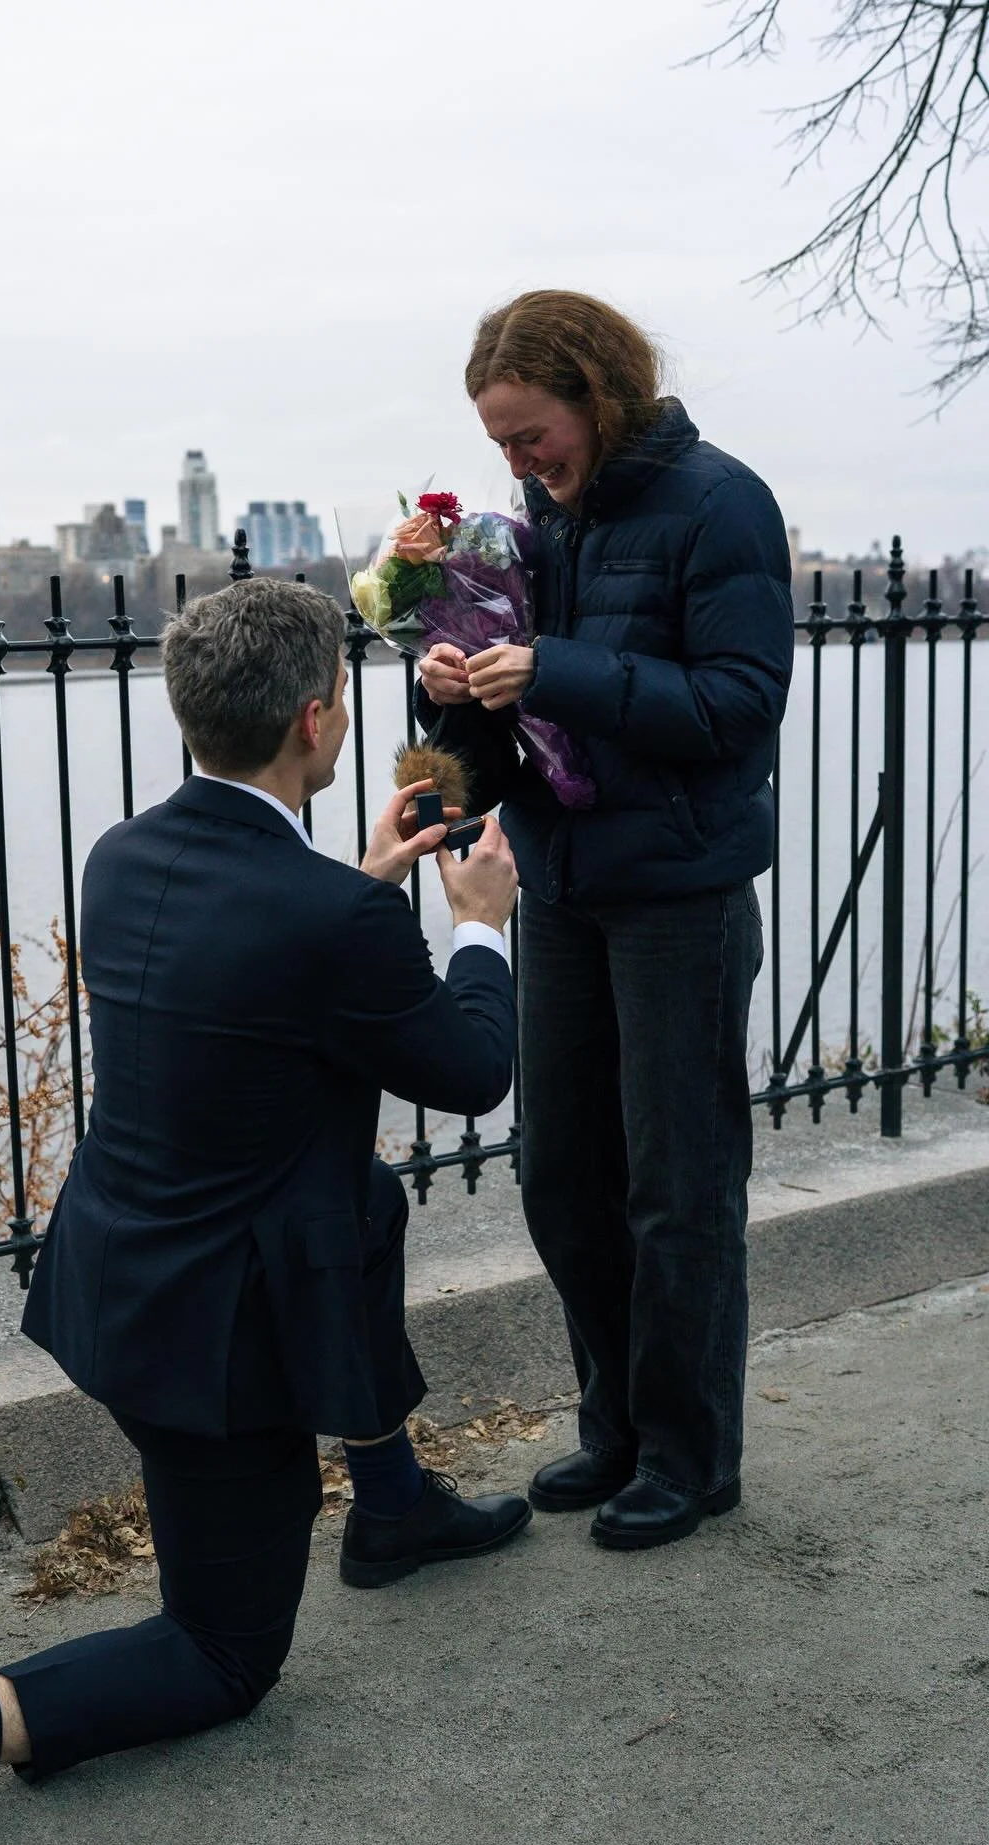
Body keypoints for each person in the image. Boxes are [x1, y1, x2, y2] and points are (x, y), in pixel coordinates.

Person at [0, 575, 525, 1845]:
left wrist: (362, 880)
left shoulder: (125, 856)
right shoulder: (329, 918)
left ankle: (396, 1501)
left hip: (119, 1277)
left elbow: (252, 996)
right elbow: (471, 1075)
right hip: (219, 1347)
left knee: (353, 1197)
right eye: (346, 701)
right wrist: (474, 929)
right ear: (317, 721)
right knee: (223, 1652)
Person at [416, 290, 793, 1551]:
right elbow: (525, 744)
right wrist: (459, 701)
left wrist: (560, 668)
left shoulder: (720, 502)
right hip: (569, 885)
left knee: (679, 1186)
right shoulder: (539, 525)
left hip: (680, 893)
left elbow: (739, 707)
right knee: (563, 1171)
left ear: (596, 391)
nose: (518, 465)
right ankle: (617, 1428)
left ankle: (691, 1458)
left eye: (531, 436)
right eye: (502, 445)